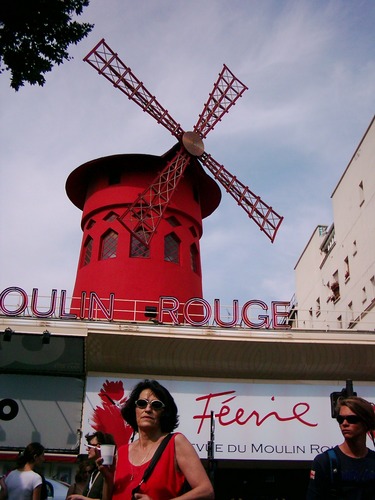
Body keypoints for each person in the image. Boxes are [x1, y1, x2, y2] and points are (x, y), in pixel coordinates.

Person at [99, 378, 214, 499]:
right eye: (142, 403)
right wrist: (108, 479)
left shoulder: (175, 443)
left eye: (156, 405)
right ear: (135, 410)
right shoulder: (121, 453)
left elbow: (206, 491)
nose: (148, 409)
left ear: (164, 413)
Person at [306, 396, 375, 499]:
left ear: (366, 422)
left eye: (352, 419)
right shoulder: (325, 461)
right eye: (340, 419)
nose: (344, 423)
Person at [67, 431, 116, 500]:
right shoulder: (94, 471)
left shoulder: (109, 472)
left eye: (90, 446)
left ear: (98, 447)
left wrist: (82, 498)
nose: (87, 449)